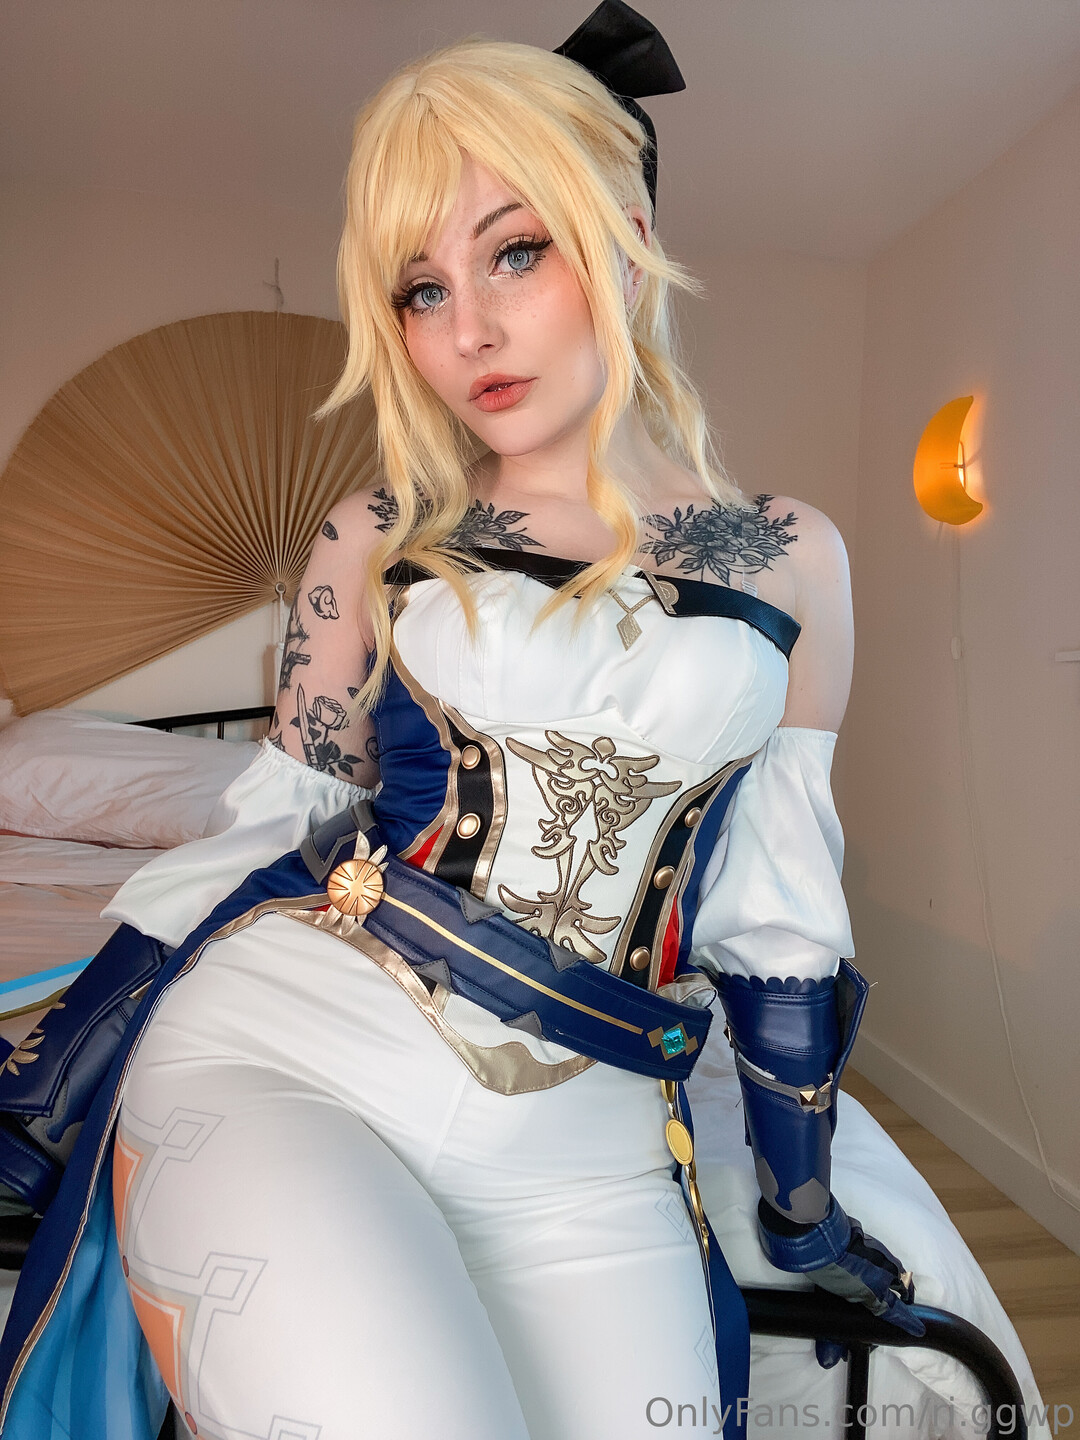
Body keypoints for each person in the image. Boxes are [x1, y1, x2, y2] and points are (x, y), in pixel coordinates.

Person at [0, 7, 921, 1437]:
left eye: (515, 251)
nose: (468, 329)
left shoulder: (793, 553)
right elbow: (277, 825)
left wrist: (801, 1206)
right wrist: (50, 1082)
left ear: (624, 238)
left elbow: (777, 909)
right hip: (297, 1051)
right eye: (419, 289)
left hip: (597, 1138)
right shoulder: (375, 531)